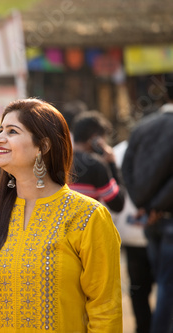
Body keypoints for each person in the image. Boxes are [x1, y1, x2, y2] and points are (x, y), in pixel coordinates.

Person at [0, 98, 122, 332]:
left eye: (12, 131)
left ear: (43, 146)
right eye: (0, 130)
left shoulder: (88, 217)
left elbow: (105, 309)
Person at [122, 73, 173, 333]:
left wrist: (144, 204)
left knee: (160, 284)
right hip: (165, 217)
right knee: (167, 286)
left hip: (149, 220)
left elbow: (126, 167)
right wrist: (158, 206)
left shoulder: (142, 127)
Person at [113, 140, 153, 333]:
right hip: (156, 229)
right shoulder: (161, 147)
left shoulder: (119, 151)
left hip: (129, 232)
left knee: (138, 289)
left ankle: (142, 327)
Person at [69, 110, 125, 213]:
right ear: (95, 139)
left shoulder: (58, 160)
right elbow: (118, 205)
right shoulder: (96, 165)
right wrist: (111, 164)